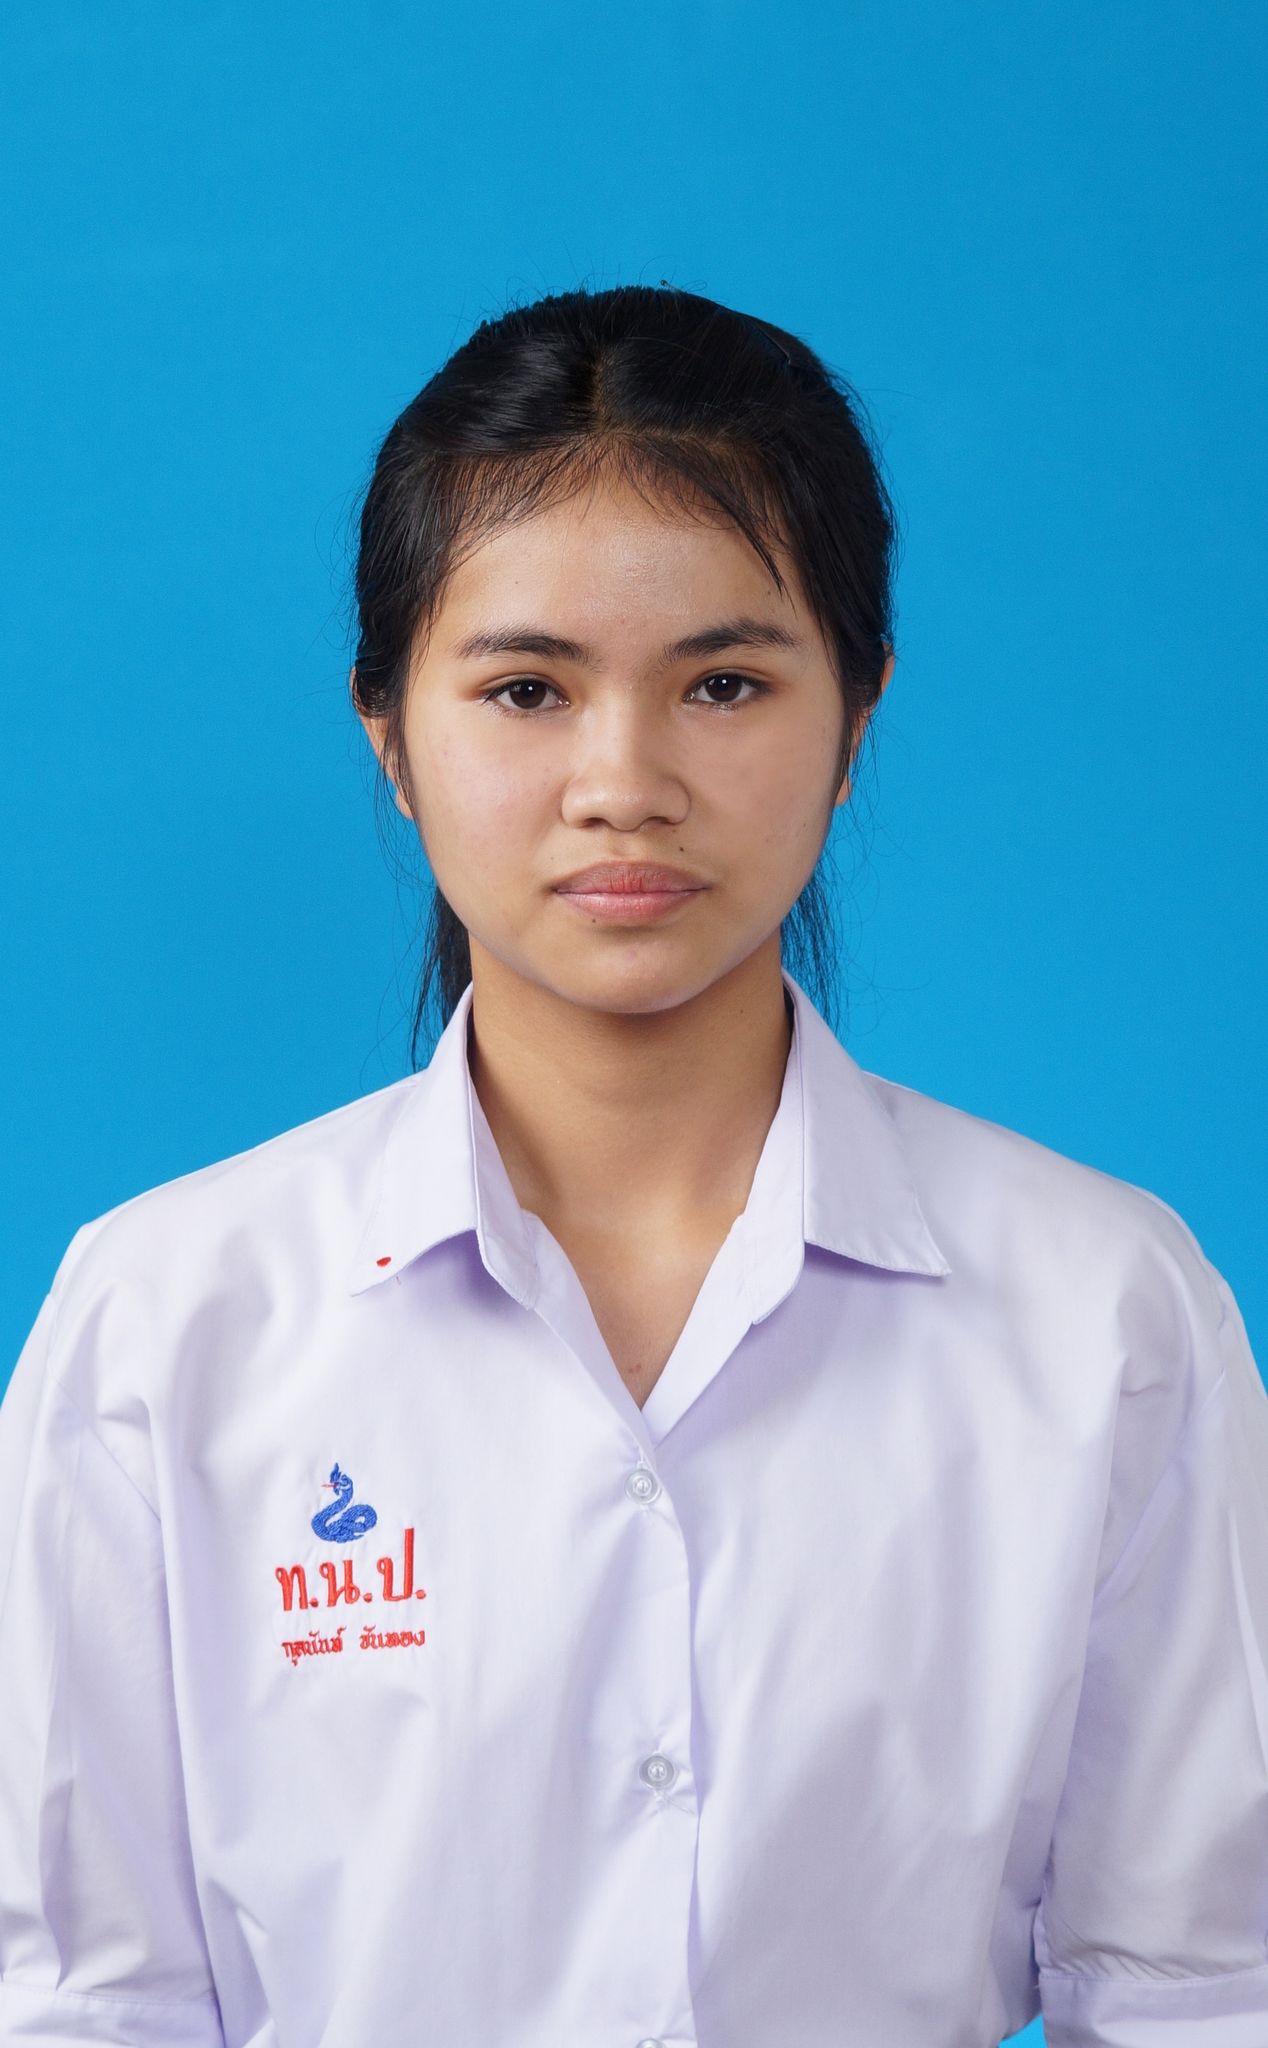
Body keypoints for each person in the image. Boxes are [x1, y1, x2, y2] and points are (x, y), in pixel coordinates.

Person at [1, 283, 1265, 2048]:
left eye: (724, 684)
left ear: (858, 718)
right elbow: (79, 2006)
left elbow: (1203, 1992)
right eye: (526, 689)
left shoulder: (1104, 1312)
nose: (626, 781)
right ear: (388, 734)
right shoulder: (164, 1322)